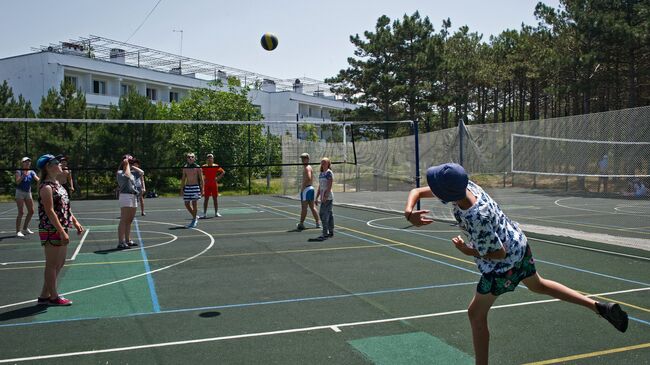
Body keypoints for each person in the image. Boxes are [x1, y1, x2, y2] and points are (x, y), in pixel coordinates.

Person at [404, 163, 628, 365]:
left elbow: (497, 253)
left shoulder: (475, 216)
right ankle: (598, 307)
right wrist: (409, 211)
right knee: (539, 285)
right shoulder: (466, 186)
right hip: (518, 244)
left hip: (503, 265)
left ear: (445, 193)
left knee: (475, 314)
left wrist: (467, 250)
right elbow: (416, 191)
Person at [36, 154, 83, 306]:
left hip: (62, 226)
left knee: (60, 262)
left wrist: (74, 222)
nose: (60, 164)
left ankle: (44, 295)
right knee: (52, 263)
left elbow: (65, 207)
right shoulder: (46, 187)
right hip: (51, 228)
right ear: (48, 167)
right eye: (56, 162)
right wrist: (61, 232)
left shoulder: (58, 185)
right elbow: (50, 211)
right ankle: (54, 297)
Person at [116, 155, 143, 249]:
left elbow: (142, 172)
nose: (130, 164)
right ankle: (121, 242)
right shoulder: (120, 173)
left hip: (133, 196)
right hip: (125, 196)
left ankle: (128, 240)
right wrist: (125, 163)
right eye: (130, 162)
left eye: (132, 163)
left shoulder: (133, 173)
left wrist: (132, 165)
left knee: (130, 220)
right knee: (124, 219)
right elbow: (127, 176)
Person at [15, 157, 39, 238]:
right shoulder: (19, 171)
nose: (27, 163)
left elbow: (37, 179)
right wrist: (23, 176)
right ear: (22, 163)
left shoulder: (32, 172)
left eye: (29, 161)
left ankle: (25, 229)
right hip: (20, 192)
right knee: (21, 212)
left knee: (31, 211)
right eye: (25, 162)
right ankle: (18, 231)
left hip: (28, 192)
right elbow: (17, 182)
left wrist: (45, 178)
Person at [297, 152, 320, 230]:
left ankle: (301, 223)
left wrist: (303, 187)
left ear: (308, 159)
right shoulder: (308, 167)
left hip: (307, 189)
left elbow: (309, 178)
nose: (303, 160)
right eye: (302, 158)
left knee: (304, 207)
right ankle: (317, 223)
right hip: (310, 188)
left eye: (304, 158)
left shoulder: (307, 168)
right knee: (312, 207)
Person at [181, 152, 203, 228]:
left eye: (192, 157)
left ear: (194, 158)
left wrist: (202, 189)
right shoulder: (185, 167)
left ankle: (194, 220)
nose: (190, 158)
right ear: (187, 159)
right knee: (186, 204)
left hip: (195, 187)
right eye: (188, 157)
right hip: (187, 187)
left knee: (194, 204)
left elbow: (201, 179)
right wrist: (181, 189)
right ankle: (195, 216)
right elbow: (183, 179)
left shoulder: (197, 167)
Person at [314, 157, 334, 240]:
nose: (323, 164)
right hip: (322, 197)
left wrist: (326, 196)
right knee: (329, 214)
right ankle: (331, 230)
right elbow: (320, 186)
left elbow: (329, 185)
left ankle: (325, 233)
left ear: (328, 164)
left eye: (324, 162)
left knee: (323, 214)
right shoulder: (321, 173)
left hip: (328, 197)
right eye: (322, 162)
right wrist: (317, 197)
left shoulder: (329, 173)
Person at [200, 153, 225, 218]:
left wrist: (217, 178)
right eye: (208, 158)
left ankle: (216, 213)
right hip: (207, 185)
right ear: (207, 159)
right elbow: (200, 174)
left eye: (211, 158)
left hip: (214, 184)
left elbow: (223, 172)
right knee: (206, 199)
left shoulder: (216, 166)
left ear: (213, 159)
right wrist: (203, 179)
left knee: (215, 199)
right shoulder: (204, 166)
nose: (210, 159)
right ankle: (204, 214)